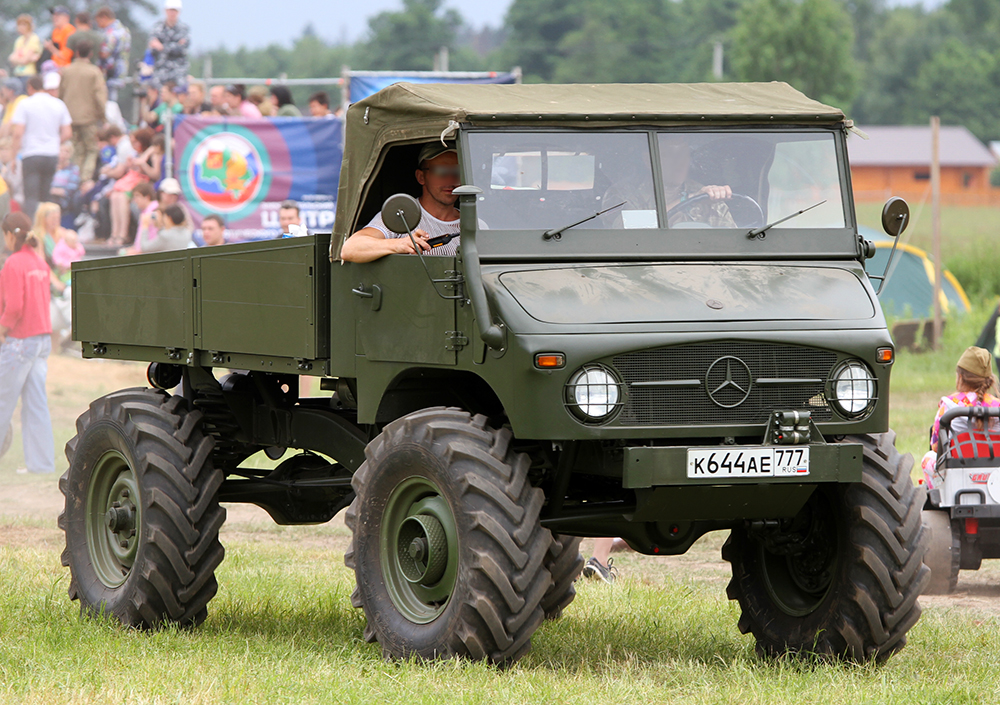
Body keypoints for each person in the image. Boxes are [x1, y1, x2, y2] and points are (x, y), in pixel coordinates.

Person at [0, 211, 56, 474]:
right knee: (36, 404)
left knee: (2, 401)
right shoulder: (39, 262)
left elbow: (14, 307)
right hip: (42, 340)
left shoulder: (13, 263)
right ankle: (42, 464)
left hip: (20, 341)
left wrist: (2, 330)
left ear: (11, 235)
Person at [341, 142, 461, 262]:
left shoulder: (475, 223)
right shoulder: (401, 214)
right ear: (421, 177)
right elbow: (350, 248)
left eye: (457, 171)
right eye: (441, 171)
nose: (451, 179)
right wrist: (400, 244)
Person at [9, 75, 72, 219]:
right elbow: (68, 132)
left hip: (31, 153)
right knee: (45, 197)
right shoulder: (58, 104)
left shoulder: (25, 104)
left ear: (30, 87)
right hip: (51, 154)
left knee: (31, 196)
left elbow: (18, 133)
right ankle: (45, 230)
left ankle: (32, 231)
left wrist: (14, 157)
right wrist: (54, 142)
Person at [659, 136, 736, 228]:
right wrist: (691, 199)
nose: (679, 161)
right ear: (648, 160)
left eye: (684, 154)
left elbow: (731, 238)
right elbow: (646, 225)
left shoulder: (707, 196)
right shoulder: (638, 196)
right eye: (670, 155)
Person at [59, 40, 108, 184]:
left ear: (77, 52)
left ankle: (73, 179)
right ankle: (85, 178)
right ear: (90, 54)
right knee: (91, 149)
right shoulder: (94, 72)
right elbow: (100, 97)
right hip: (89, 118)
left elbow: (60, 94)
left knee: (75, 149)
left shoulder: (67, 70)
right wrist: (103, 117)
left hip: (70, 118)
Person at [107, 127, 160, 245]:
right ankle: (115, 233)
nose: (133, 145)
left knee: (122, 197)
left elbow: (155, 174)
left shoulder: (152, 155)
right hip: (135, 184)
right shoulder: (137, 154)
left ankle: (123, 234)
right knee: (115, 196)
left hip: (146, 186)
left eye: (135, 142)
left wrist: (142, 164)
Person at [149, 0, 190, 90]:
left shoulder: (184, 28)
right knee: (158, 94)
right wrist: (174, 46)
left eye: (175, 11)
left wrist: (162, 47)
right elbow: (152, 48)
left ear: (179, 12)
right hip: (160, 70)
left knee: (179, 93)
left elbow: (182, 49)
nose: (172, 13)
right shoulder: (157, 27)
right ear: (166, 11)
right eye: (170, 10)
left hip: (178, 70)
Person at [94, 6, 131, 101]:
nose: (99, 25)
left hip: (110, 73)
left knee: (108, 103)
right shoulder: (124, 30)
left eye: (99, 22)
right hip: (119, 71)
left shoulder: (112, 33)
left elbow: (104, 53)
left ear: (104, 18)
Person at [8, 15, 42, 87]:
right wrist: (26, 59)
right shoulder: (19, 40)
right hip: (18, 73)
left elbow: (24, 60)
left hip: (29, 74)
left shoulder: (34, 38)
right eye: (19, 25)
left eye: (23, 25)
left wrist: (19, 60)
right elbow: (11, 58)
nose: (21, 27)